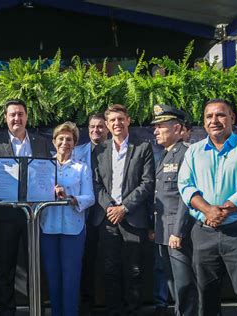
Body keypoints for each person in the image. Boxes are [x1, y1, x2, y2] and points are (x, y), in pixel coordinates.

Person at [178, 99, 237, 316]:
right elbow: (185, 186)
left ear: (232, 118)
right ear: (203, 122)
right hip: (204, 234)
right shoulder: (194, 152)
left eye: (220, 115)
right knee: (206, 297)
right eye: (209, 116)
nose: (214, 120)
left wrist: (223, 210)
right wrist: (207, 210)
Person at [0, 99, 52, 316]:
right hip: (6, 215)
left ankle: (37, 309)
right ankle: (7, 311)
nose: (17, 119)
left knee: (35, 266)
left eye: (20, 114)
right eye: (12, 114)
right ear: (5, 117)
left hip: (34, 215)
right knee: (6, 267)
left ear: (27, 117)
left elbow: (48, 175)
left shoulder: (41, 143)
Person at [94, 104, 155, 315]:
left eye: (120, 119)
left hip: (133, 218)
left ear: (128, 120)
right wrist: (111, 207)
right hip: (108, 219)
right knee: (110, 270)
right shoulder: (100, 149)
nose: (117, 123)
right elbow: (96, 184)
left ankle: (133, 310)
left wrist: (125, 207)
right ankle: (114, 311)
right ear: (107, 125)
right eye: (112, 120)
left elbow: (147, 183)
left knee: (134, 270)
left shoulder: (142, 148)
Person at [40, 121, 95, 316]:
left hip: (73, 230)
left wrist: (71, 198)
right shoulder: (44, 166)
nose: (65, 142)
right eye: (61, 139)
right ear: (54, 142)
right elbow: (34, 193)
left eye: (69, 139)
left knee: (71, 279)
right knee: (53, 279)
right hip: (48, 228)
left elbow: (90, 198)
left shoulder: (82, 168)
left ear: (75, 143)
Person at [151, 104, 198, 316]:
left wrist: (177, 232)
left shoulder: (186, 154)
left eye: (161, 126)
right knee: (173, 286)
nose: (155, 131)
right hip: (163, 232)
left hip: (177, 233)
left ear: (177, 129)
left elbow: (185, 198)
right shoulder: (166, 154)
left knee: (184, 286)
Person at [75, 113, 108, 311]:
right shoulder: (77, 152)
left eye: (100, 127)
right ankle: (86, 303)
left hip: (109, 215)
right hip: (83, 216)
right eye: (92, 127)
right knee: (85, 262)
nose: (96, 130)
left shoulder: (116, 151)